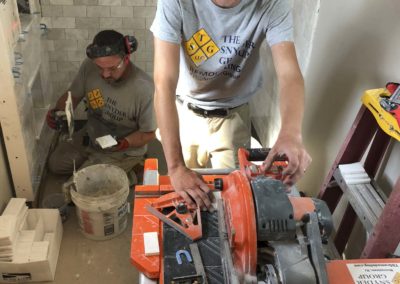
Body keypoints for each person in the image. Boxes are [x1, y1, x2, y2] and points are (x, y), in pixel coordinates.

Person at [150, 0, 312, 209]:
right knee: (187, 198)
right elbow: (164, 83)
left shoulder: (272, 4)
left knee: (236, 201)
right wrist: (175, 166)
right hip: (185, 114)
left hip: (233, 116)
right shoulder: (177, 2)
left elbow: (289, 75)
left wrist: (291, 133)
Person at [47, 30, 156, 184]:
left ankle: (130, 172)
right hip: (91, 135)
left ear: (126, 58)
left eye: (112, 68)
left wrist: (124, 143)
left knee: (81, 186)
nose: (105, 74)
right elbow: (73, 95)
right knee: (56, 164)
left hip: (123, 149)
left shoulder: (144, 89)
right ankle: (110, 170)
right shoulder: (88, 67)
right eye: (100, 67)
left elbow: (149, 134)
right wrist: (58, 112)